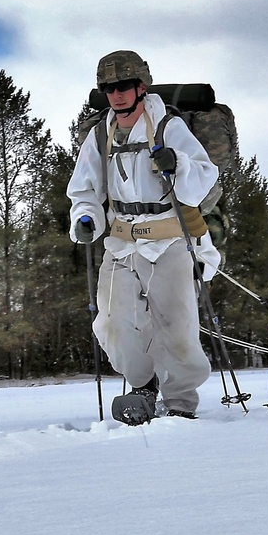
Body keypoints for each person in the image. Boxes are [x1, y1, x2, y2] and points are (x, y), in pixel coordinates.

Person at [67, 50, 220, 423]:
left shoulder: (168, 126)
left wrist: (177, 163)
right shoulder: (100, 133)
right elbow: (84, 188)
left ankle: (181, 400)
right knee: (111, 322)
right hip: (120, 240)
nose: (116, 95)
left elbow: (205, 175)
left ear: (140, 86)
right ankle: (143, 385)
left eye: (123, 86)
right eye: (108, 88)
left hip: (168, 237)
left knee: (176, 326)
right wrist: (85, 217)